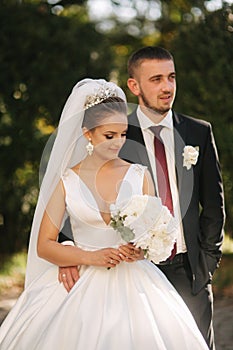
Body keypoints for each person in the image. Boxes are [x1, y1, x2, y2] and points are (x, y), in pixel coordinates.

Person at [0, 79, 209, 350]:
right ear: (88, 133)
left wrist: (141, 251)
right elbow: (44, 245)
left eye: (123, 134)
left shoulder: (139, 175)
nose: (118, 143)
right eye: (109, 136)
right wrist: (88, 257)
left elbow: (156, 232)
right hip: (81, 283)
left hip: (137, 284)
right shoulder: (66, 182)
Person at [59, 47, 225, 350]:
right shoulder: (117, 134)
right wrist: (68, 250)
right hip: (130, 270)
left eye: (172, 77)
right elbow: (81, 188)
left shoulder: (199, 132)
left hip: (189, 270)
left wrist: (207, 263)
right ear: (134, 86)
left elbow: (214, 205)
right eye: (156, 79)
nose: (167, 87)